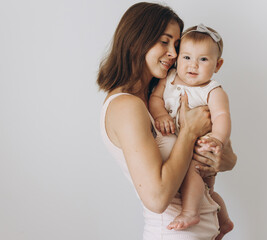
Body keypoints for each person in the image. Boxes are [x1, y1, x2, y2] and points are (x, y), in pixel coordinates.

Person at [97, 2, 237, 240]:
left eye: (176, 44)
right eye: (164, 41)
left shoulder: (164, 95)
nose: (174, 53)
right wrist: (189, 131)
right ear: (135, 41)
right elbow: (157, 199)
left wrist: (217, 151)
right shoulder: (126, 107)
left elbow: (229, 160)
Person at [148, 24, 234, 236]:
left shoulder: (212, 90)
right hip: (181, 143)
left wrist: (217, 140)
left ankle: (189, 212)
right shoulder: (168, 79)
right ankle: (224, 221)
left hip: (200, 146)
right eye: (186, 57)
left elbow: (222, 117)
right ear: (177, 59)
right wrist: (161, 115)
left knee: (194, 171)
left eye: (203, 59)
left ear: (218, 65)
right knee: (207, 192)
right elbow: (155, 99)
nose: (193, 65)